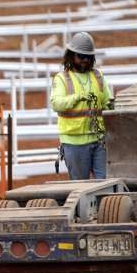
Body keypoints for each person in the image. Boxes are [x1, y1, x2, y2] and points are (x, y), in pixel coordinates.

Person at [50, 32, 113, 180]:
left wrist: (114, 105)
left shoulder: (98, 76)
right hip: (74, 142)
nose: (84, 60)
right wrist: (76, 98)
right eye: (80, 56)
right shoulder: (62, 79)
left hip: (99, 140)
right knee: (80, 185)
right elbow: (56, 104)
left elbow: (107, 103)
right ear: (71, 56)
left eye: (88, 57)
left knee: (104, 182)